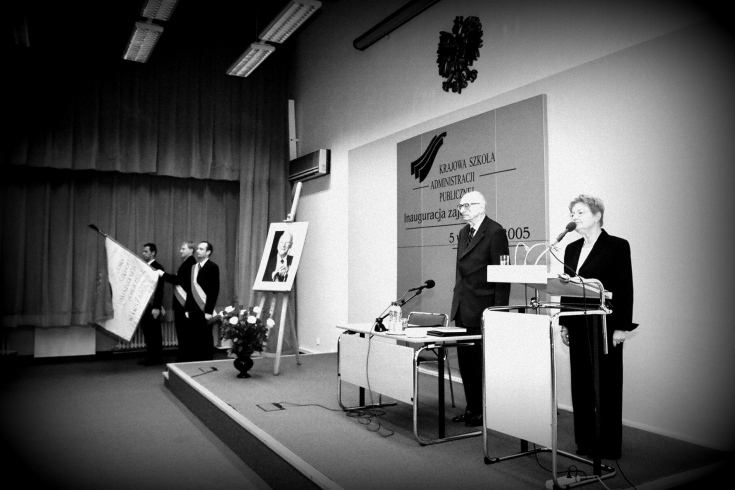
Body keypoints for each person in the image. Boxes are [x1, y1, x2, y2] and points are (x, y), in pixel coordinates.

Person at [558, 195, 635, 460]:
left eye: (580, 212)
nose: (574, 217)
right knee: (581, 385)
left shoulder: (617, 246)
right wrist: (564, 323)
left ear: (597, 215)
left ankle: (609, 444)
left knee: (607, 386)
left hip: (605, 325)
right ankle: (585, 440)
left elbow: (624, 288)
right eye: (572, 213)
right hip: (578, 323)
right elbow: (567, 288)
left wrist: (621, 328)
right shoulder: (571, 248)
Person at [449, 191, 510, 427]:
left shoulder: (495, 232)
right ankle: (472, 408)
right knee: (466, 363)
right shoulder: (463, 232)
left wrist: (498, 313)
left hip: (484, 308)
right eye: (460, 206)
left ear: (481, 207)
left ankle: (485, 411)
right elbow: (461, 271)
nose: (462, 209)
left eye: (467, 205)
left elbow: (503, 275)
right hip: (464, 307)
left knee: (481, 364)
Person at [159, 241, 219, 361]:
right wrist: (187, 308)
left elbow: (213, 291)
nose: (198, 251)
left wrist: (208, 311)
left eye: (201, 249)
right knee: (194, 338)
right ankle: (195, 363)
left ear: (208, 252)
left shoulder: (212, 267)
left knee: (205, 337)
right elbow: (190, 290)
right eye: (198, 249)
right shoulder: (193, 268)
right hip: (193, 309)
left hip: (204, 308)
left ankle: (207, 362)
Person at [169, 241, 196, 362]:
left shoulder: (190, 263)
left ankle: (184, 358)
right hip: (181, 303)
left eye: (183, 248)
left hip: (184, 304)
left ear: (191, 250)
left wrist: (163, 275)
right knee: (182, 332)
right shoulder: (187, 262)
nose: (180, 251)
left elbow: (178, 280)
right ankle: (183, 356)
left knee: (184, 332)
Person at [139, 243, 165, 366]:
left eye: (146, 251)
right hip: (144, 305)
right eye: (143, 251)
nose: (143, 254)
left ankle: (156, 357)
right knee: (147, 332)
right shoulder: (144, 266)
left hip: (152, 306)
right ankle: (150, 356)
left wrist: (156, 307)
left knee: (154, 333)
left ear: (153, 253)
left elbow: (159, 289)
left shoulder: (158, 267)